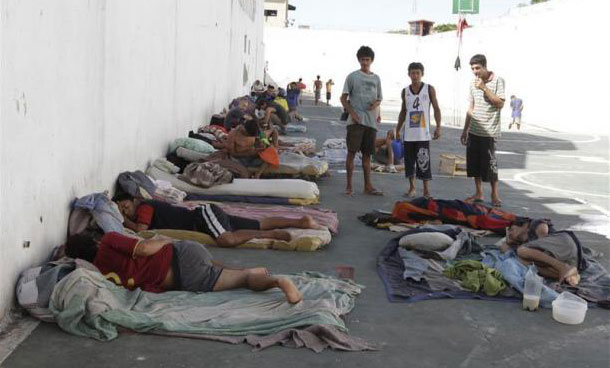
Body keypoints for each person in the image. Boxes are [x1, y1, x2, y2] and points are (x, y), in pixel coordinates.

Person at [65, 232, 303, 303]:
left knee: (234, 278)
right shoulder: (107, 241)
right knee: (221, 271)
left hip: (180, 273)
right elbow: (146, 248)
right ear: (93, 241)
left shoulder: (94, 274)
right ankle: (264, 276)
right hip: (182, 256)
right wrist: (168, 240)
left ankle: (277, 281)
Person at [114, 194, 321, 248]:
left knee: (226, 240)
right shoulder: (143, 207)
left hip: (202, 216)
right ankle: (301, 221)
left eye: (126, 207)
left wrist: (121, 219)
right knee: (259, 222)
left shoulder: (144, 207)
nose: (126, 211)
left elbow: (141, 230)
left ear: (134, 201)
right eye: (123, 210)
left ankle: (272, 235)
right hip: (207, 215)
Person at [461, 54, 505, 207]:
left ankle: (494, 194)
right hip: (474, 130)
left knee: (490, 165)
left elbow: (500, 103)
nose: (475, 71)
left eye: (478, 68)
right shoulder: (472, 84)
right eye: (473, 68)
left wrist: (484, 88)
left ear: (485, 66)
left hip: (489, 131)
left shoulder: (498, 80)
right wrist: (465, 129)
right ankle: (478, 193)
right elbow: (471, 107)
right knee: (474, 165)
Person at [340, 46, 383, 196]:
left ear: (372, 61)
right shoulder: (352, 77)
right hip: (356, 122)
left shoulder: (376, 78)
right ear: (359, 60)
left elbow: (379, 98)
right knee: (351, 153)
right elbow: (343, 98)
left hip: (371, 123)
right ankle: (349, 186)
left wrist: (376, 106)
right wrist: (352, 113)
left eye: (367, 60)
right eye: (363, 59)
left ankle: (368, 186)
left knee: (367, 155)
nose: (365, 62)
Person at [394, 62, 442, 198]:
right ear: (408, 74)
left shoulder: (429, 89)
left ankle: (426, 190)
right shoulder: (405, 91)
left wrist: (438, 126)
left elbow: (436, 108)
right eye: (412, 73)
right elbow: (403, 111)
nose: (415, 76)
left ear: (422, 74)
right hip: (409, 134)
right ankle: (412, 188)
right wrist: (397, 129)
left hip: (423, 134)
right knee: (409, 162)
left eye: (417, 73)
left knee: (424, 160)